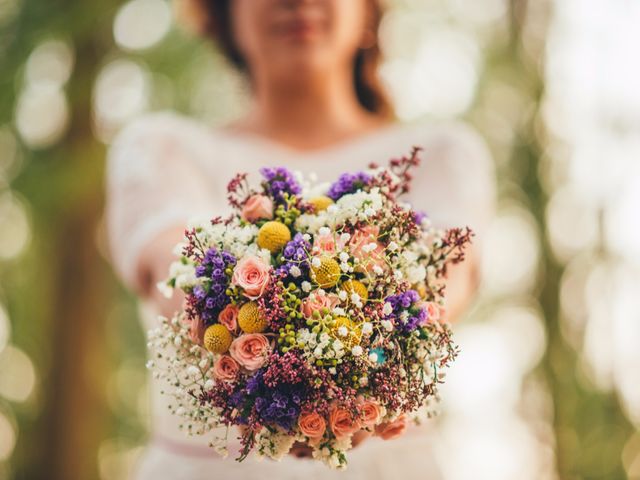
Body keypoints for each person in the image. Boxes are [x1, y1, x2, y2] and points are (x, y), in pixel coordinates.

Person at [104, 0, 496, 478]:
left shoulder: (442, 154)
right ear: (224, 14)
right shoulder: (161, 149)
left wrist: (352, 374)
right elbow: (168, 262)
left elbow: (444, 280)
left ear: (369, 11)